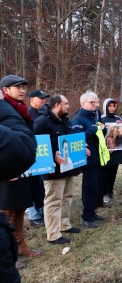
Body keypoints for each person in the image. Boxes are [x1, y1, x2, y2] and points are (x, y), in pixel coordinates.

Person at [0, 75, 41, 268]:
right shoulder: (3, 108)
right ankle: (8, 254)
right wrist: (10, 165)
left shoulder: (20, 109)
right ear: (5, 90)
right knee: (6, 213)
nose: (22, 90)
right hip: (8, 170)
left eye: (23, 87)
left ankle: (21, 246)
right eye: (17, 87)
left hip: (22, 168)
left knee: (19, 210)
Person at [34, 94, 81, 245]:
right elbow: (36, 145)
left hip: (67, 167)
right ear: (57, 105)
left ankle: (64, 224)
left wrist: (81, 149)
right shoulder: (41, 122)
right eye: (66, 104)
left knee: (67, 197)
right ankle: (53, 234)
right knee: (53, 201)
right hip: (53, 171)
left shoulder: (64, 120)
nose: (68, 106)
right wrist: (51, 156)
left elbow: (69, 141)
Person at [72, 91, 108, 228]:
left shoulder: (95, 116)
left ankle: (92, 212)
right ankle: (86, 217)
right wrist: (93, 129)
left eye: (96, 102)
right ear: (83, 103)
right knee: (89, 188)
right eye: (92, 102)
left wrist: (103, 130)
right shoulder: (78, 119)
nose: (95, 105)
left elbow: (99, 134)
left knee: (97, 187)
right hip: (88, 159)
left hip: (98, 156)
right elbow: (77, 139)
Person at [27, 89, 49, 227]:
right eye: (40, 98)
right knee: (31, 184)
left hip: (43, 154)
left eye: (44, 98)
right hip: (32, 154)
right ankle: (33, 215)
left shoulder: (44, 113)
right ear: (31, 100)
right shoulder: (28, 115)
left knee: (40, 185)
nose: (43, 100)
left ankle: (40, 211)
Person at [101, 98, 122, 203]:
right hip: (106, 151)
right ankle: (104, 193)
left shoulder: (118, 117)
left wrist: (120, 124)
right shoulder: (101, 118)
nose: (112, 108)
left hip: (116, 150)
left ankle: (110, 191)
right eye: (109, 106)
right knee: (105, 173)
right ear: (106, 107)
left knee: (113, 172)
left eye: (113, 106)